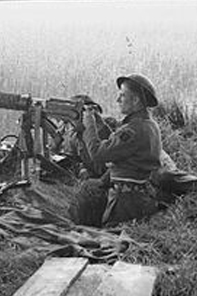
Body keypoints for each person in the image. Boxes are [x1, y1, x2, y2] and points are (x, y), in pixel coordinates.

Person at [68, 73, 162, 227]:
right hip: (138, 195)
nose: (117, 100)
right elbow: (116, 145)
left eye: (122, 96)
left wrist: (89, 123)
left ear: (136, 100)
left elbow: (98, 154)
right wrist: (99, 123)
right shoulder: (146, 124)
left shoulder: (134, 130)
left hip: (127, 203)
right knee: (89, 186)